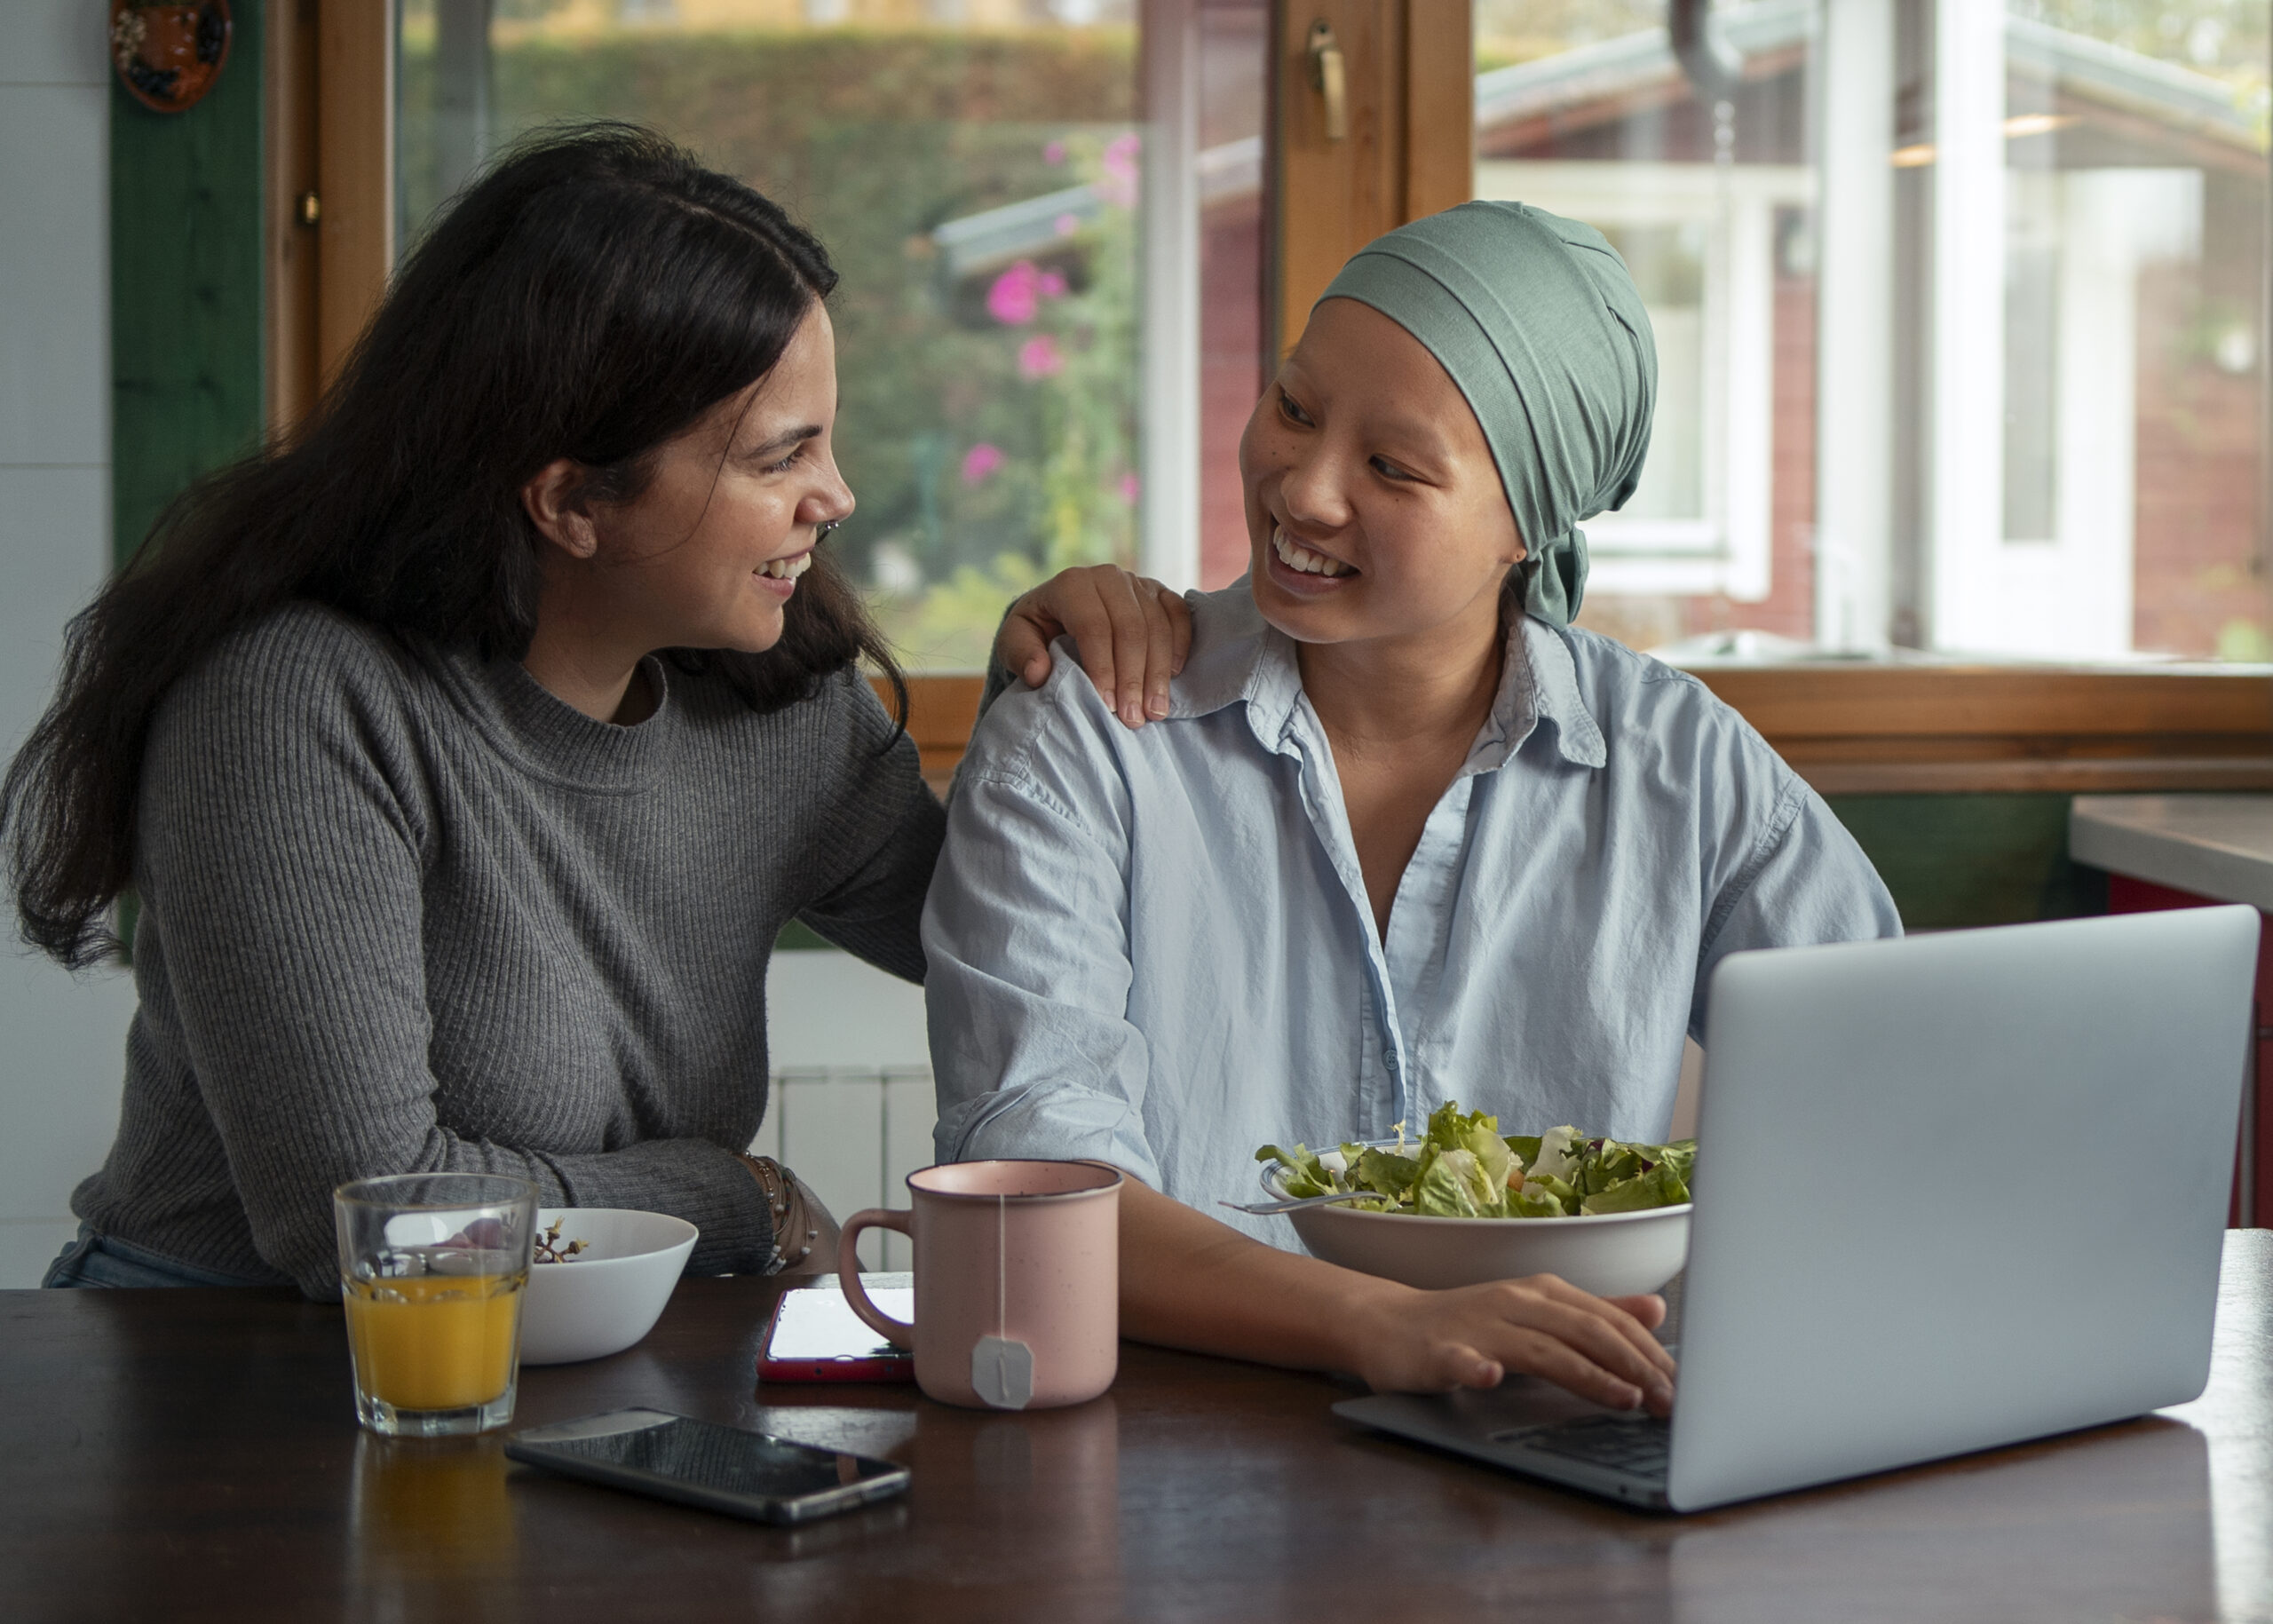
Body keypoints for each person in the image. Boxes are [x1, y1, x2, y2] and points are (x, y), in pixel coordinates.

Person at [4, 127, 1186, 1298]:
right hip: (221, 1377)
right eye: (782, 457)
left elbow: (1023, 934)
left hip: (593, 1353)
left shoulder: (770, 692)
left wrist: (1046, 709)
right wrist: (739, 1198)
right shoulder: (295, 705)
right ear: (571, 501)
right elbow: (371, 1224)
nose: (837, 496)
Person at [923, 202, 1901, 1414]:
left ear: (1525, 528)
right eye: (1293, 406)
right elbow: (1039, 1186)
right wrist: (1388, 1325)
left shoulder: (1686, 770)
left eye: (1392, 466)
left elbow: (1888, 1109)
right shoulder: (1091, 724)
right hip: (1176, 1464)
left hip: (1559, 1469)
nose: (1307, 488)